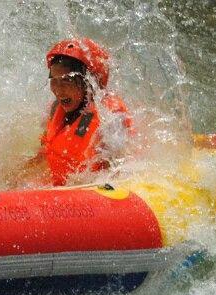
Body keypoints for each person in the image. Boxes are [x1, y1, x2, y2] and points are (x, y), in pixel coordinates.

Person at [19, 38, 133, 187]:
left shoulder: (110, 117)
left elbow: (119, 176)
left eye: (67, 80)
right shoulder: (55, 109)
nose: (58, 90)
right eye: (54, 80)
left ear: (89, 81)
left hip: (86, 191)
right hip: (58, 188)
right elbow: (43, 155)